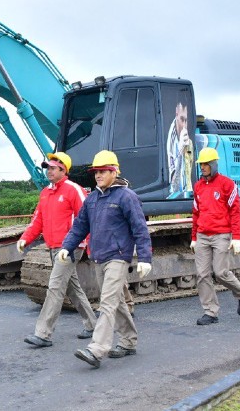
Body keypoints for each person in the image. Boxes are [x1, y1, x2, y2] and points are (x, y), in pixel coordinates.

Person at [57, 150, 153, 369]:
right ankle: (129, 341)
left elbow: (140, 228)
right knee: (117, 302)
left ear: (114, 171)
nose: (98, 175)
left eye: (103, 171)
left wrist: (145, 257)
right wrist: (67, 246)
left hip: (118, 257)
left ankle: (97, 348)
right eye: (96, 172)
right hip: (98, 257)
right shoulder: (92, 199)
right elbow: (80, 226)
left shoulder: (127, 197)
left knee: (107, 303)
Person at [19, 151, 98, 348]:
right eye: (48, 168)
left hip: (71, 247)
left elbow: (86, 219)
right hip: (53, 247)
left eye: (53, 168)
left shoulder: (74, 190)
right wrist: (25, 238)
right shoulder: (46, 193)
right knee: (73, 287)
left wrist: (88, 244)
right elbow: (38, 220)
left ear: (64, 170)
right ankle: (92, 324)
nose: (49, 171)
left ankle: (43, 333)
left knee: (55, 286)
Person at [191, 147, 240, 326]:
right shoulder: (199, 187)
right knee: (202, 275)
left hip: (221, 235)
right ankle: (210, 312)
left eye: (205, 164)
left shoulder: (227, 184)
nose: (202, 167)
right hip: (203, 235)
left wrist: (237, 237)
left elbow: (235, 211)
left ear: (213, 164)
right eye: (200, 164)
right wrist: (194, 237)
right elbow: (196, 213)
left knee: (220, 273)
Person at [167, 99, 194, 197]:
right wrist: (180, 151)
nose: (184, 125)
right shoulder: (171, 141)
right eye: (182, 119)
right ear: (176, 114)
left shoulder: (189, 141)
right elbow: (174, 187)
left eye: (186, 120)